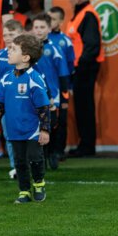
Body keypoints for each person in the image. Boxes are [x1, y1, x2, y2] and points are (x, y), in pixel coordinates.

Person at [0, 34, 50, 203]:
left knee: (35, 158)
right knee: (19, 161)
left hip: (32, 130)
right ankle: (24, 191)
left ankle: (39, 183)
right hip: (13, 130)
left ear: (25, 57)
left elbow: (43, 108)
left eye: (13, 49)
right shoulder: (6, 78)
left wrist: (45, 130)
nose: (8, 51)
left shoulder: (34, 79)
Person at [65, 0, 103, 157]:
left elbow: (92, 45)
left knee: (85, 107)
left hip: (85, 68)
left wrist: (79, 66)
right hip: (81, 67)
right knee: (82, 106)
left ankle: (87, 146)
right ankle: (84, 145)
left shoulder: (87, 15)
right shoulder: (81, 14)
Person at [30, 14, 70, 169]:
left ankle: (53, 152)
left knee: (52, 125)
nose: (39, 30)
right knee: (36, 125)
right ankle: (41, 156)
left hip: (53, 95)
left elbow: (63, 74)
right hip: (34, 95)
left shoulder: (55, 48)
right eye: (36, 27)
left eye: (42, 27)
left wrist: (64, 98)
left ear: (49, 28)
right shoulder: (28, 49)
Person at [0, 18, 25, 179]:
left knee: (30, 136)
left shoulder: (28, 57)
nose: (7, 37)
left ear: (21, 34)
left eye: (11, 34)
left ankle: (33, 164)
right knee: (10, 136)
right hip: (7, 105)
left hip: (27, 104)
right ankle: (16, 167)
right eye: (5, 34)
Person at [47, 6, 75, 159]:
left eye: (53, 19)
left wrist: (68, 86)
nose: (50, 22)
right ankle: (48, 150)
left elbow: (70, 64)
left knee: (61, 120)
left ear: (61, 21)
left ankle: (59, 150)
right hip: (45, 87)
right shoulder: (41, 40)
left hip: (60, 87)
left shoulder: (65, 41)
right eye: (48, 18)